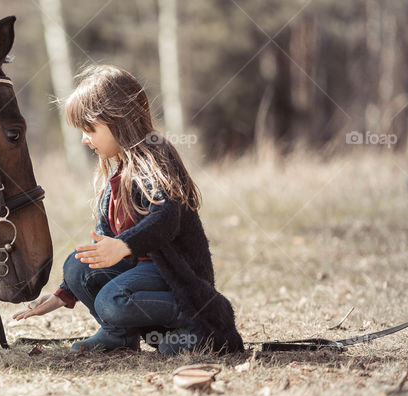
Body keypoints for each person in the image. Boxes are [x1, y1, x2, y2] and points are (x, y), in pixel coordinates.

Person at [13, 65, 244, 355]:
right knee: (77, 266)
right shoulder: (118, 174)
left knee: (112, 300)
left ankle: (199, 320)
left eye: (89, 129)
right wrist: (63, 294)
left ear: (117, 120)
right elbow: (101, 242)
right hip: (141, 270)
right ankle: (118, 336)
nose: (85, 139)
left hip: (173, 275)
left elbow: (167, 219)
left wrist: (124, 245)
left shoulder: (156, 156)